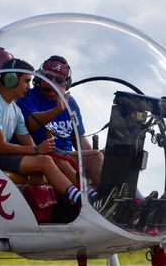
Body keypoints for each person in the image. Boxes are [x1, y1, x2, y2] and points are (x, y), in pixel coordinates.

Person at [0, 58, 93, 209]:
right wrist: (37, 150)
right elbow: (1, 147)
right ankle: (82, 201)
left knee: (52, 156)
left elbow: (31, 144)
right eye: (26, 81)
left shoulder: (15, 110)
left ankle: (90, 195)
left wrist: (44, 150)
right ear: (11, 79)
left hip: (0, 156)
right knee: (44, 161)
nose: (29, 86)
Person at [17, 55, 104, 187]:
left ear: (66, 83)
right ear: (39, 76)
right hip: (45, 155)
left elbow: (79, 139)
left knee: (105, 157)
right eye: (48, 77)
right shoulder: (28, 96)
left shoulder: (71, 103)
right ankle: (100, 201)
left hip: (68, 157)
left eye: (57, 79)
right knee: (95, 158)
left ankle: (128, 201)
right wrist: (58, 109)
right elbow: (33, 123)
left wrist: (94, 156)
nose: (51, 82)